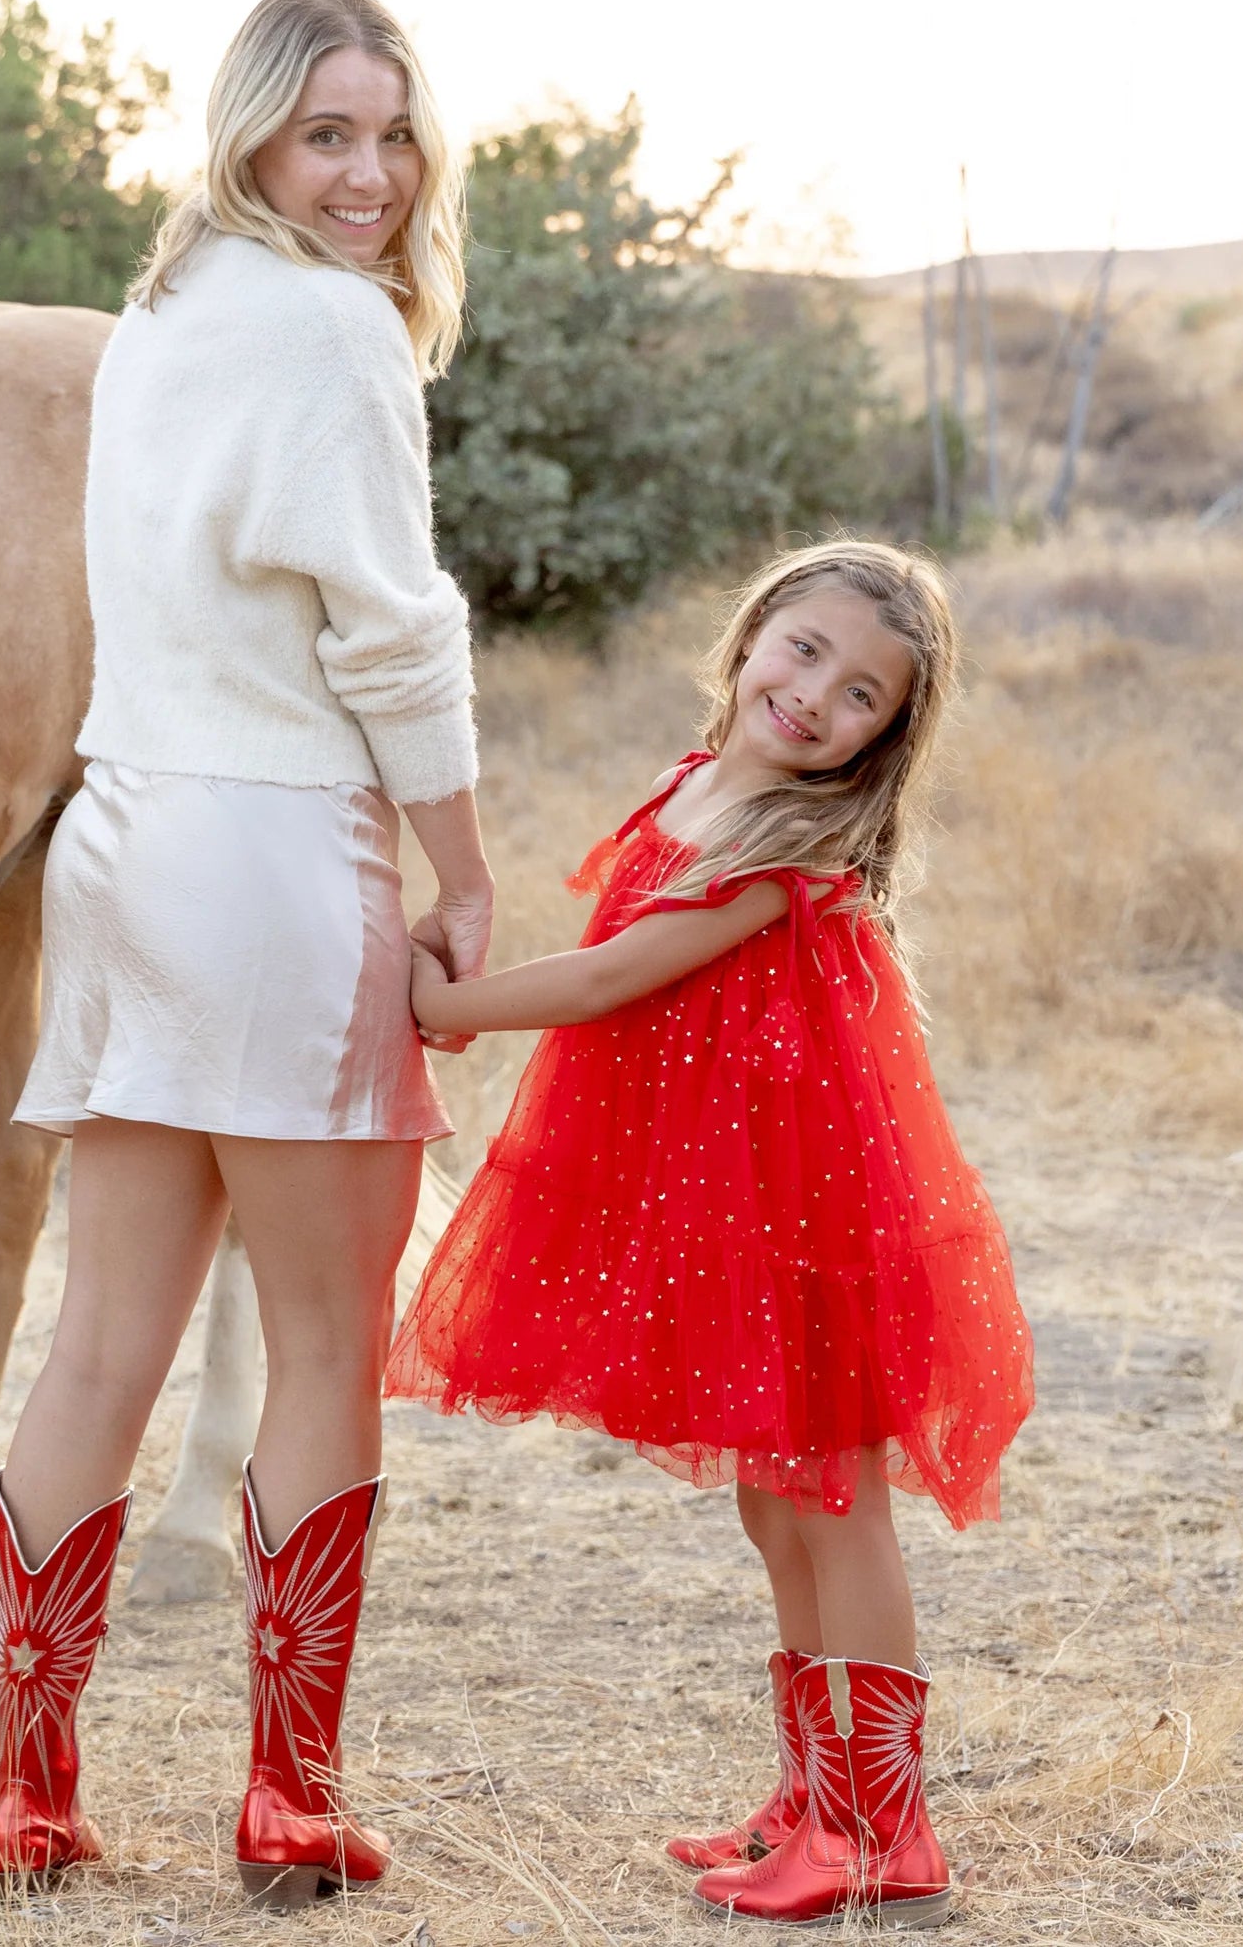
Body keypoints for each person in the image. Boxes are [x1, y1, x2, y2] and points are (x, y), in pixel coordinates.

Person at [0, 0, 493, 1910]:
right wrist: (463, 868)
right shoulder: (335, 329)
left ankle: (29, 1792)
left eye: (390, 136)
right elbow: (388, 629)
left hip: (121, 840)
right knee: (328, 1334)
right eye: (326, 137)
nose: (367, 177)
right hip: (284, 849)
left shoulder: (162, 315)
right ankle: (289, 1790)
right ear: (254, 138)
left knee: (101, 1332)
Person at [385, 539, 1034, 1929]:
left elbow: (617, 975)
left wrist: (454, 1005)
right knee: (773, 1496)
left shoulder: (784, 845)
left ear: (882, 741)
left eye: (860, 695)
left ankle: (883, 1828)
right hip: (735, 1202)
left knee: (832, 1496)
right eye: (804, 651)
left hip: (812, 1215)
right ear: (752, 635)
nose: (814, 696)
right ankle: (815, 1792)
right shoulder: (698, 785)